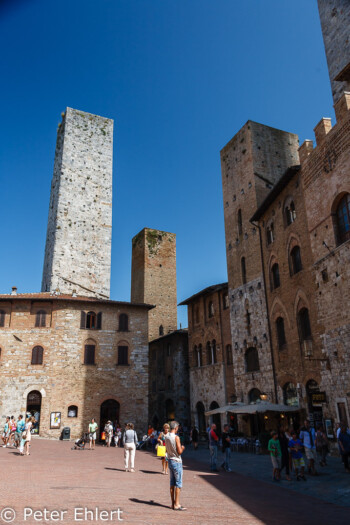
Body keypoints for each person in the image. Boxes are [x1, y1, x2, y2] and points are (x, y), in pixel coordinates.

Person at [164, 421, 186, 511]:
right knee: (178, 483)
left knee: (172, 483)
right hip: (177, 461)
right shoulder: (176, 437)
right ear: (176, 428)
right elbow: (179, 451)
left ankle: (173, 503)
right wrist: (183, 447)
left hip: (170, 460)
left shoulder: (166, 436)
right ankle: (177, 504)